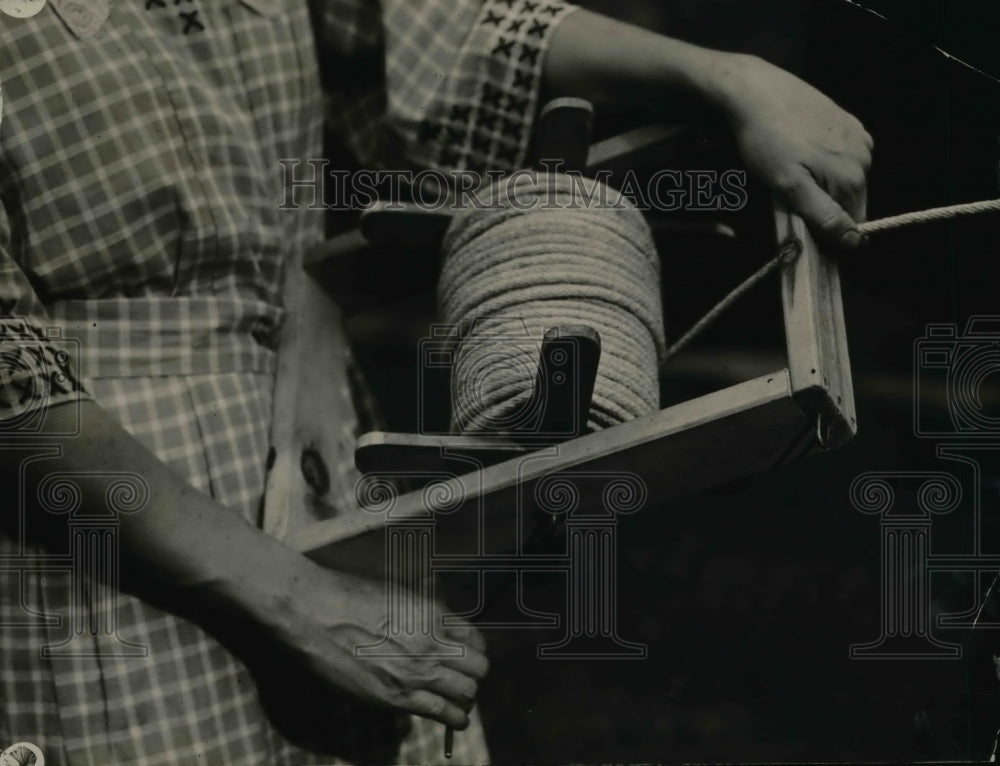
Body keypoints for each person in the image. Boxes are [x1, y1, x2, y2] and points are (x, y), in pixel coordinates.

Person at [0, 0, 871, 763]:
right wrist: (301, 601)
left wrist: (729, 79)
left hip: (318, 453)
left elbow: (444, 43)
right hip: (111, 524)